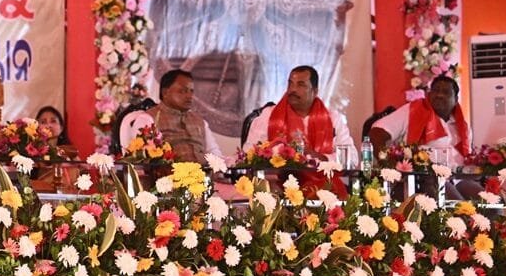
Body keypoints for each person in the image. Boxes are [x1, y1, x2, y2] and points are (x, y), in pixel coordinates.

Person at [245, 65, 354, 196]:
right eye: (290, 83)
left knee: (328, 189)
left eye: (301, 85)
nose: (292, 89)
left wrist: (318, 157)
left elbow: (352, 158)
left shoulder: (332, 118)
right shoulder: (269, 116)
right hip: (278, 185)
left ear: (315, 91)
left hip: (322, 186)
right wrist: (280, 155)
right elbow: (248, 152)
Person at [119, 69, 222, 162]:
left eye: (191, 91)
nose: (189, 96)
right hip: (169, 180)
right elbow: (146, 160)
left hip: (205, 178)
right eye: (183, 91)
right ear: (165, 92)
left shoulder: (200, 121)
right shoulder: (147, 119)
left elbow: (214, 153)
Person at [369, 76, 470, 166]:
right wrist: (389, 165)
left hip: (459, 177)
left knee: (476, 187)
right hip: (425, 179)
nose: (439, 95)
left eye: (446, 92)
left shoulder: (463, 127)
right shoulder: (413, 110)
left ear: (456, 99)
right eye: (436, 90)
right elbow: (377, 132)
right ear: (429, 95)